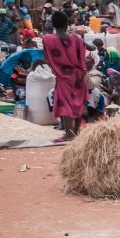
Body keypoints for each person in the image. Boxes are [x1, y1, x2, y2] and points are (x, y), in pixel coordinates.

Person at [43, 11, 90, 142]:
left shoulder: (48, 39)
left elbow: (47, 57)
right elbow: (88, 47)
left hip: (63, 75)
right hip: (78, 74)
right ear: (67, 24)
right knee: (77, 102)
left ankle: (69, 134)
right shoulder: (76, 39)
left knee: (64, 103)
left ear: (52, 24)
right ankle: (76, 132)